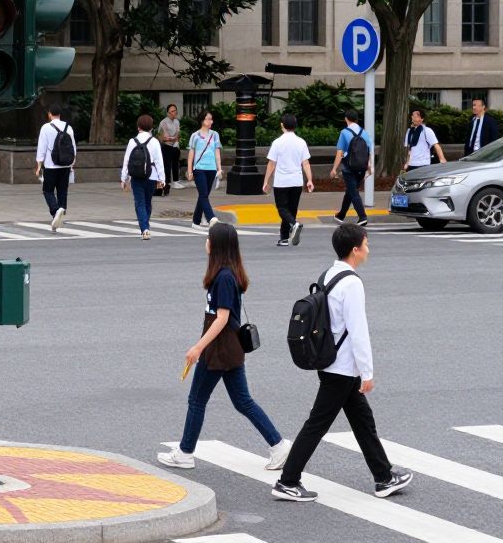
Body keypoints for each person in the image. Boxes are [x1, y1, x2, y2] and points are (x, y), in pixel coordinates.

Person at [273, 224, 412, 501]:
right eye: (366, 244)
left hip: (332, 363)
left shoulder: (330, 274)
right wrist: (367, 373)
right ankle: (287, 481)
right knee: (317, 424)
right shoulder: (352, 283)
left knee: (363, 422)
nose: (368, 249)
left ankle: (383, 477)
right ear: (355, 249)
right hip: (342, 368)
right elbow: (358, 331)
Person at [158, 223, 291, 471]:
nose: (205, 242)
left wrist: (198, 347)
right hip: (228, 347)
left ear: (217, 245)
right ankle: (278, 446)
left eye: (208, 239)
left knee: (197, 399)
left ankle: (185, 452)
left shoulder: (224, 277)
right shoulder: (225, 274)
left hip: (219, 349)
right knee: (242, 401)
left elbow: (221, 318)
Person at [263, 114, 314, 247]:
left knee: (282, 209)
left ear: (282, 125)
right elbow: (306, 163)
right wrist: (309, 180)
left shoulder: (277, 142)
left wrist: (266, 181)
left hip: (282, 182)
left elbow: (271, 164)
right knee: (291, 210)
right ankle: (284, 237)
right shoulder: (301, 142)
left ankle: (294, 224)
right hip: (297, 181)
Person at [121, 114, 165, 239]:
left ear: (138, 126)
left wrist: (124, 178)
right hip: (152, 175)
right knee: (148, 202)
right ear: (151, 127)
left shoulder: (132, 141)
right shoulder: (155, 141)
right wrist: (162, 179)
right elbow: (159, 162)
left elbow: (127, 160)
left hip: (136, 176)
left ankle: (144, 229)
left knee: (139, 203)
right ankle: (146, 225)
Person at [35, 104, 77, 231]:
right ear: (60, 114)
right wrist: (72, 162)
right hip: (65, 165)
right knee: (62, 191)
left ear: (49, 114)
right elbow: (73, 147)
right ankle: (61, 214)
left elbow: (42, 147)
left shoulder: (46, 128)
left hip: (50, 165)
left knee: (47, 190)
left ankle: (55, 211)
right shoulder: (68, 127)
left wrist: (39, 164)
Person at [330, 110, 373, 226]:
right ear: (357, 119)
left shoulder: (344, 132)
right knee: (350, 190)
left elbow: (340, 152)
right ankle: (341, 215)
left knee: (353, 191)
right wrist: (370, 167)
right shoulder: (364, 133)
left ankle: (362, 216)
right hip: (362, 167)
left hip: (349, 167)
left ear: (346, 119)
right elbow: (369, 151)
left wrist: (334, 168)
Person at [186, 110, 223, 231]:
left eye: (211, 119)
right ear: (202, 120)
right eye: (208, 119)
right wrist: (190, 170)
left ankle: (196, 221)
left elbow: (217, 152)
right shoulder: (195, 136)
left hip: (211, 169)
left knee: (204, 195)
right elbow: (191, 154)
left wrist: (219, 168)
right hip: (199, 169)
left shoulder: (215, 134)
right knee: (203, 194)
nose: (210, 121)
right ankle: (210, 217)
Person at [158, 104, 185, 194]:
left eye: (175, 110)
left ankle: (176, 181)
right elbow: (163, 137)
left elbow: (177, 134)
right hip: (166, 146)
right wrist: (171, 138)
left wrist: (174, 139)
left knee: (175, 163)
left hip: (175, 145)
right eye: (172, 111)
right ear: (168, 113)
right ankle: (168, 181)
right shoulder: (163, 122)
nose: (174, 113)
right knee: (167, 165)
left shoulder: (177, 122)